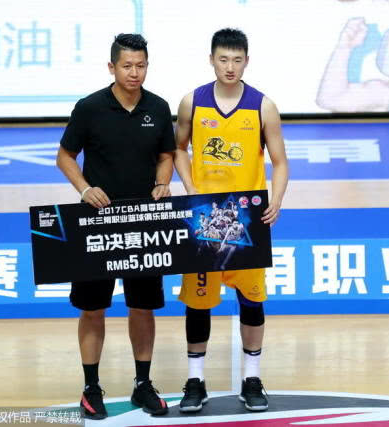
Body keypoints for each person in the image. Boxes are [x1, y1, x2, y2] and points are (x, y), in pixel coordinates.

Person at [56, 33, 175, 420]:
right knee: (93, 309)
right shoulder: (89, 107)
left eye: (141, 65)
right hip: (97, 223)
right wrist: (84, 188)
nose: (134, 73)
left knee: (143, 307)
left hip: (144, 223)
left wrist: (163, 182)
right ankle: (91, 388)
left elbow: (166, 155)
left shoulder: (158, 107)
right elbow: (65, 156)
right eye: (127, 66)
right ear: (112, 67)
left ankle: (143, 384)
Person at [173, 28, 289, 412]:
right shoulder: (193, 102)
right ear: (211, 59)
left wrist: (276, 200)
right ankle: (195, 381)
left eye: (237, 60)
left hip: (247, 222)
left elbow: (280, 162)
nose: (230, 67)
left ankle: (252, 378)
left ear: (247, 61)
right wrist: (191, 188)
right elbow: (178, 148)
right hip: (204, 219)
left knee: (252, 300)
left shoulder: (263, 106)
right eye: (223, 59)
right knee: (198, 303)